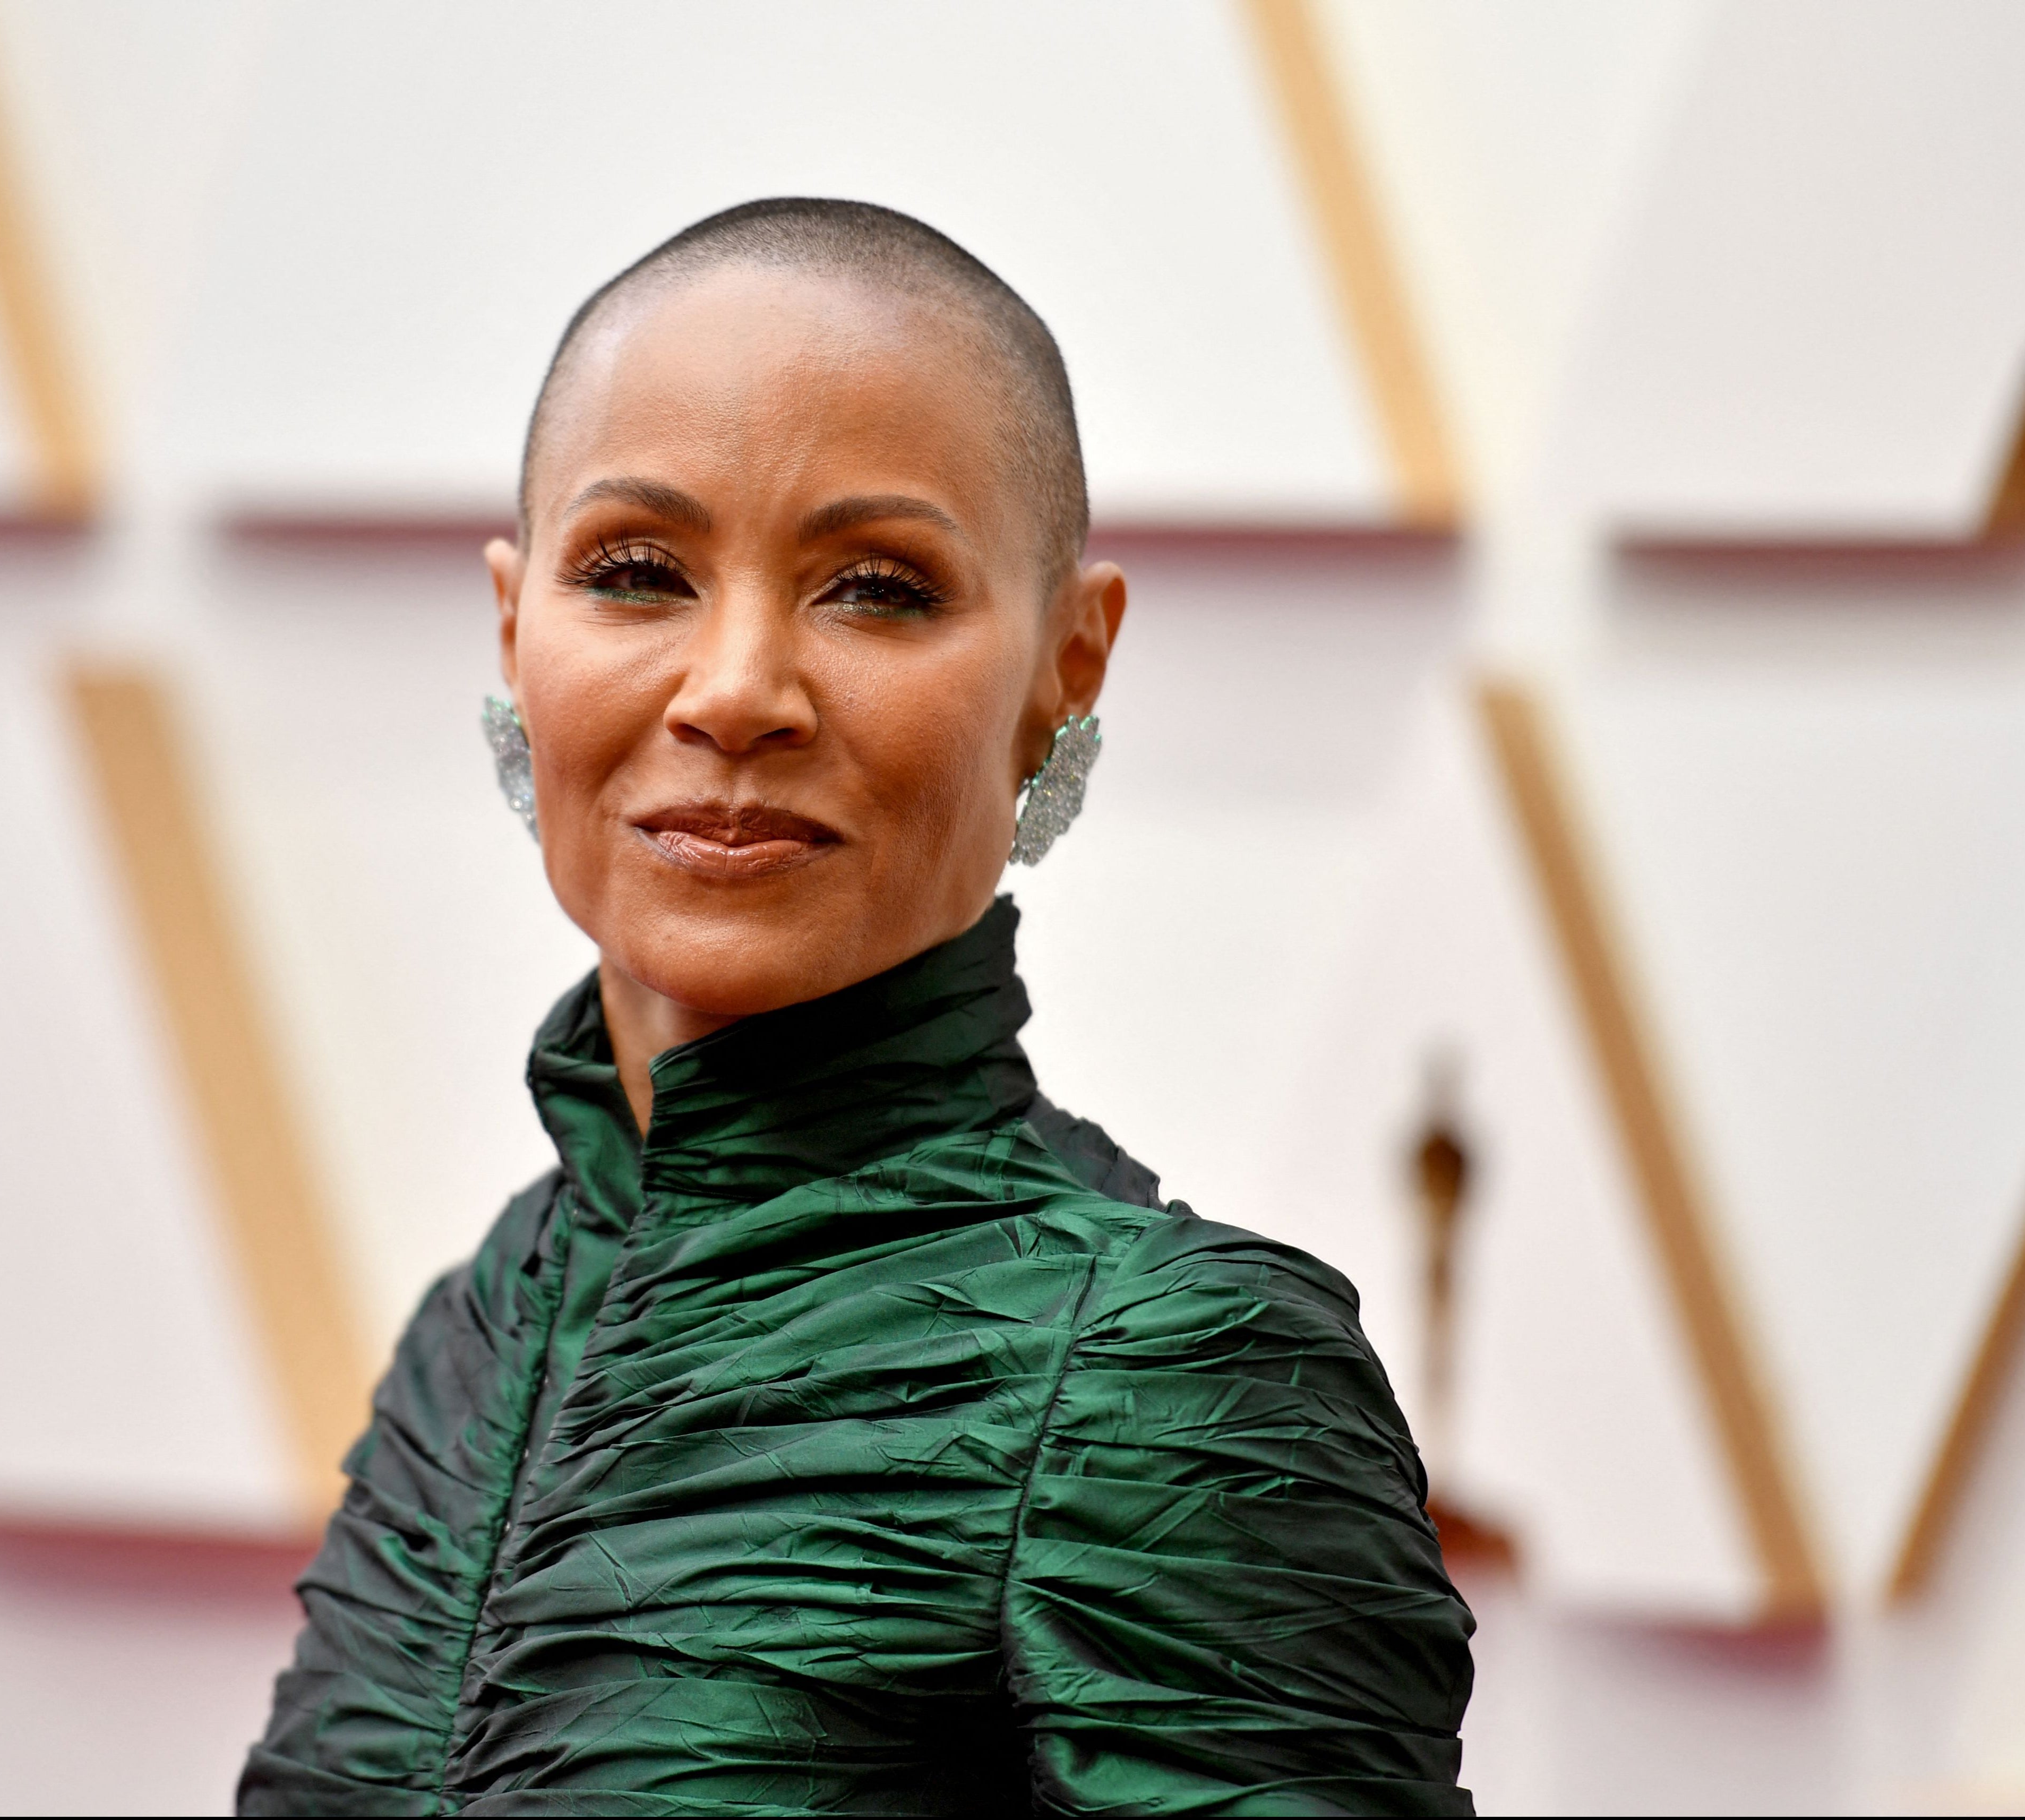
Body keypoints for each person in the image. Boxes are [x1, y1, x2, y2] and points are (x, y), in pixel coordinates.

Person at [240, 198, 1473, 1817]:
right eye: (634, 572)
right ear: (512, 625)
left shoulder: (1175, 1373)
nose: (737, 688)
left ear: (1066, 660)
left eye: (877, 588)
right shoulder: (476, 1324)